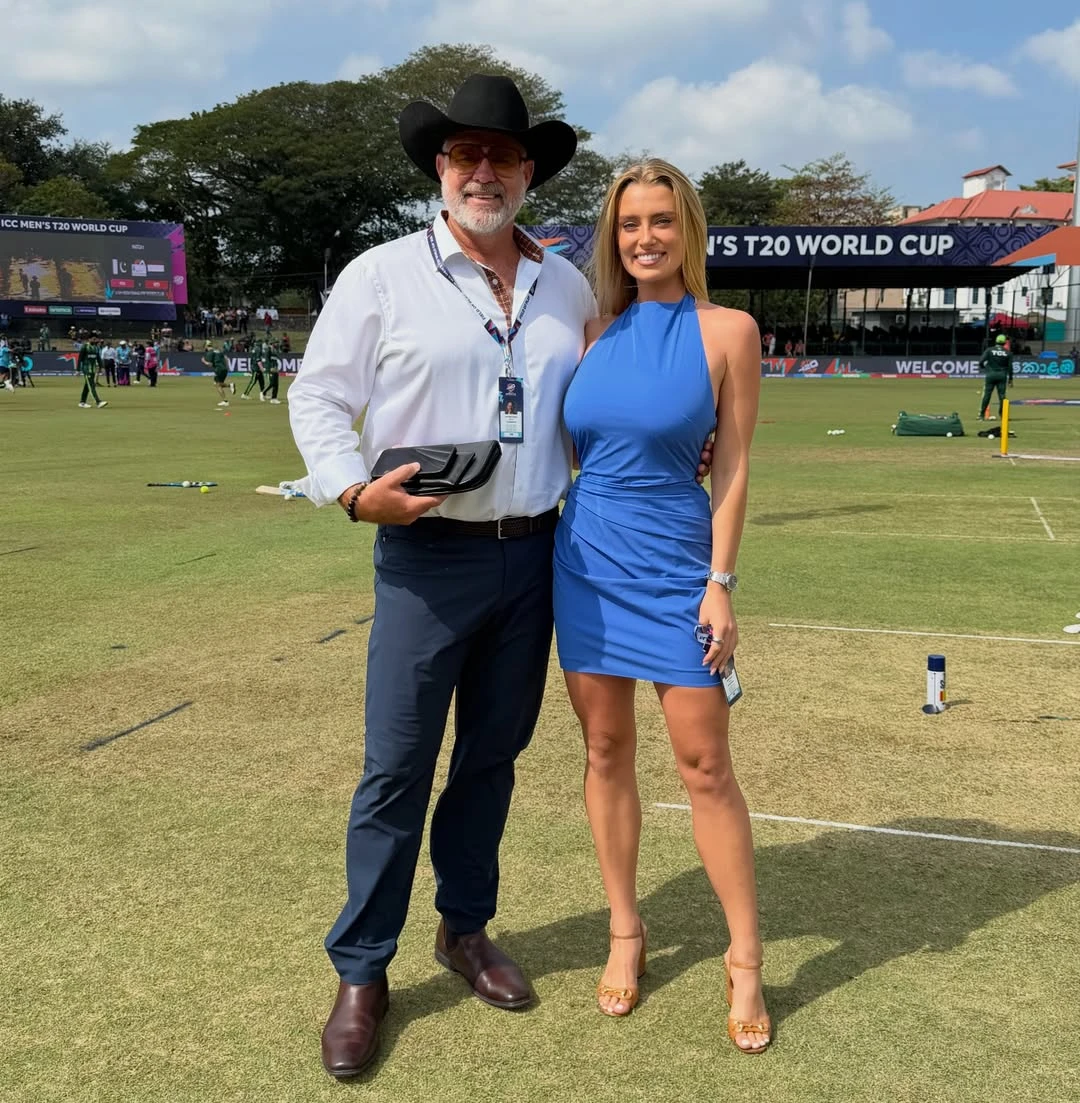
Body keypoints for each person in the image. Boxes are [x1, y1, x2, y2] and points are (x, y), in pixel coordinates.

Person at [288, 74, 599, 1081]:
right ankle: (362, 968)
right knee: (396, 766)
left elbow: (591, 408)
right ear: (439, 167)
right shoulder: (381, 273)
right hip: (426, 552)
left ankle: (463, 928)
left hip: (536, 551)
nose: (483, 170)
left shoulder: (568, 284)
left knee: (493, 758)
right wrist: (349, 490)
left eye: (502, 156)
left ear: (527, 171)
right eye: (464, 154)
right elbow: (321, 398)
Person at [554, 159, 770, 1053]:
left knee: (704, 766)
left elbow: (734, 465)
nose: (645, 237)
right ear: (615, 235)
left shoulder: (730, 330)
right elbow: (570, 450)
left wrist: (720, 583)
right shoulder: (590, 331)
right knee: (605, 749)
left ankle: (746, 956)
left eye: (662, 221)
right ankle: (626, 932)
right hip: (586, 566)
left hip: (680, 573)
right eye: (630, 222)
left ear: (688, 231)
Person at [978, 333, 1013, 421]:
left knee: (987, 395)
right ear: (1004, 342)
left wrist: (984, 368)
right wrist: (1011, 379)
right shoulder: (1008, 353)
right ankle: (1002, 415)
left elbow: (981, 361)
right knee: (1002, 396)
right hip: (1002, 375)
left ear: (996, 341)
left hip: (990, 375)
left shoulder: (989, 350)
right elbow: (1010, 367)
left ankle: (981, 415)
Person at [77, 338, 107, 408]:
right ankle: (98, 402)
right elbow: (80, 358)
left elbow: (98, 358)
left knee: (87, 386)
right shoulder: (85, 347)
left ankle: (82, 402)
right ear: (89, 339)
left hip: (93, 370)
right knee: (91, 385)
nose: (95, 340)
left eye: (96, 339)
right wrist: (78, 370)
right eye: (93, 339)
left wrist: (102, 367)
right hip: (86, 369)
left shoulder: (96, 348)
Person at [202, 342, 230, 406]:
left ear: (206, 346)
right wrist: (227, 367)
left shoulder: (210, 353)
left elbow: (210, 364)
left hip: (218, 369)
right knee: (218, 384)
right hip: (224, 369)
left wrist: (204, 361)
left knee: (217, 385)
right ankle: (229, 387)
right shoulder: (218, 351)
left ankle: (225, 401)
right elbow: (226, 358)